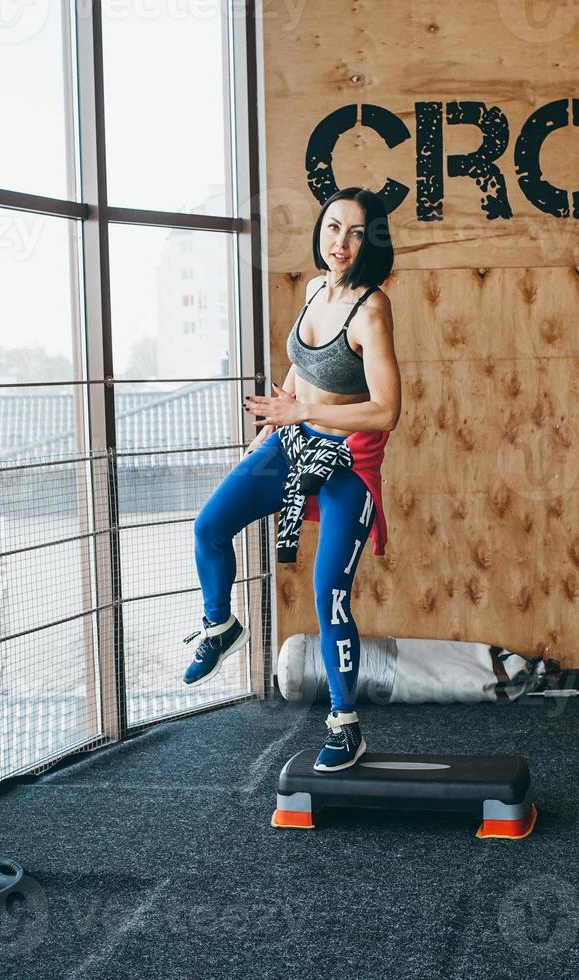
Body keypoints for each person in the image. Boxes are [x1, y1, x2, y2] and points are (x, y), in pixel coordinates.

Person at [183, 186, 401, 772]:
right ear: (320, 231)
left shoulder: (371, 309)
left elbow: (386, 410)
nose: (342, 244)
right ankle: (220, 625)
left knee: (329, 593)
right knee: (209, 526)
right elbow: (303, 366)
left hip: (345, 459)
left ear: (372, 241)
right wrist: (278, 414)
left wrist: (303, 412)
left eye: (357, 233)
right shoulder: (312, 290)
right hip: (290, 438)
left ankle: (345, 724)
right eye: (334, 228)